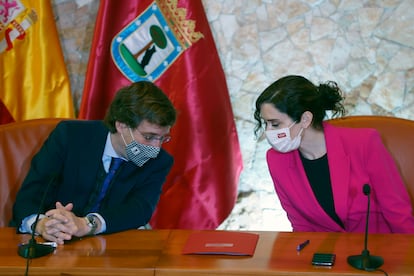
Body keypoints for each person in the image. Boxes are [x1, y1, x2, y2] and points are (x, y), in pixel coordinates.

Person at [10, 81, 177, 244]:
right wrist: (42, 225)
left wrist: (88, 224)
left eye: (163, 138)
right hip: (50, 240)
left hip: (109, 248)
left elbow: (140, 209)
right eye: (149, 137)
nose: (156, 147)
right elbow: (30, 196)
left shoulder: (159, 161)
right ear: (121, 125)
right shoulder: (69, 137)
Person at [254, 75, 414, 233]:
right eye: (265, 123)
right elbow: (299, 224)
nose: (268, 132)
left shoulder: (365, 143)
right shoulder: (276, 160)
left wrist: (406, 254)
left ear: (305, 119)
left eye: (275, 124)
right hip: (323, 253)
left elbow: (397, 211)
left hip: (375, 251)